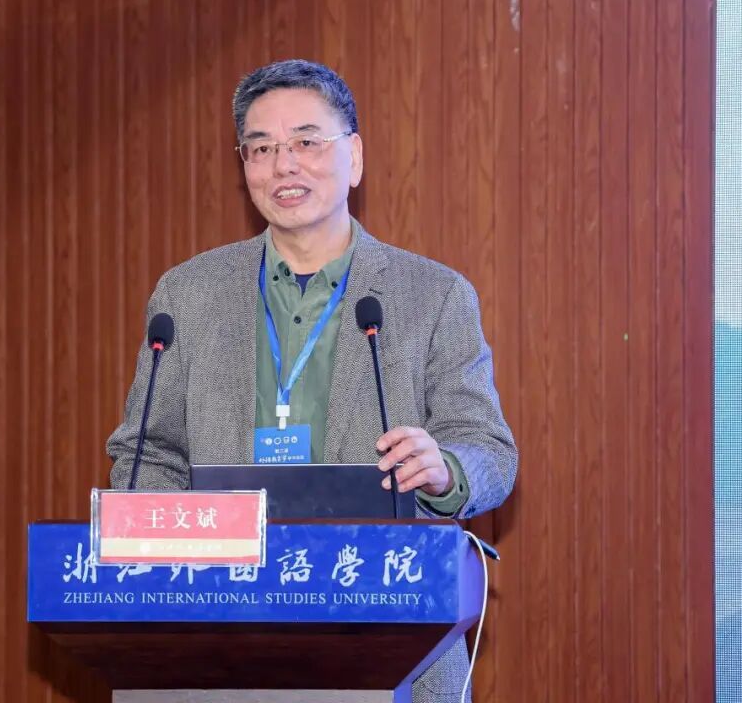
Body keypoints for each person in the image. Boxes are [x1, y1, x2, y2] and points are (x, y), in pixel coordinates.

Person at [107, 59, 517, 702]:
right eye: (261, 148)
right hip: (217, 639)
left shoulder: (433, 295)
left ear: (355, 157)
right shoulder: (187, 294)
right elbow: (145, 453)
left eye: (306, 141)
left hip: (387, 630)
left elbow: (489, 450)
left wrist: (444, 470)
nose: (283, 165)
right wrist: (176, 556)